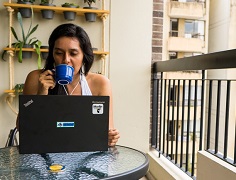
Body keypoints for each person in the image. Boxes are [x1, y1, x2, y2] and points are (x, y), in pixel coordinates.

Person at [18, 23, 120, 147]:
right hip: (43, 154)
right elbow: (22, 127)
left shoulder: (101, 83)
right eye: (59, 53)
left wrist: (110, 138)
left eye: (73, 53)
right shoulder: (36, 78)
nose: (66, 59)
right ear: (52, 55)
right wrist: (41, 96)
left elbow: (107, 131)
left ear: (84, 55)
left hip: (85, 154)